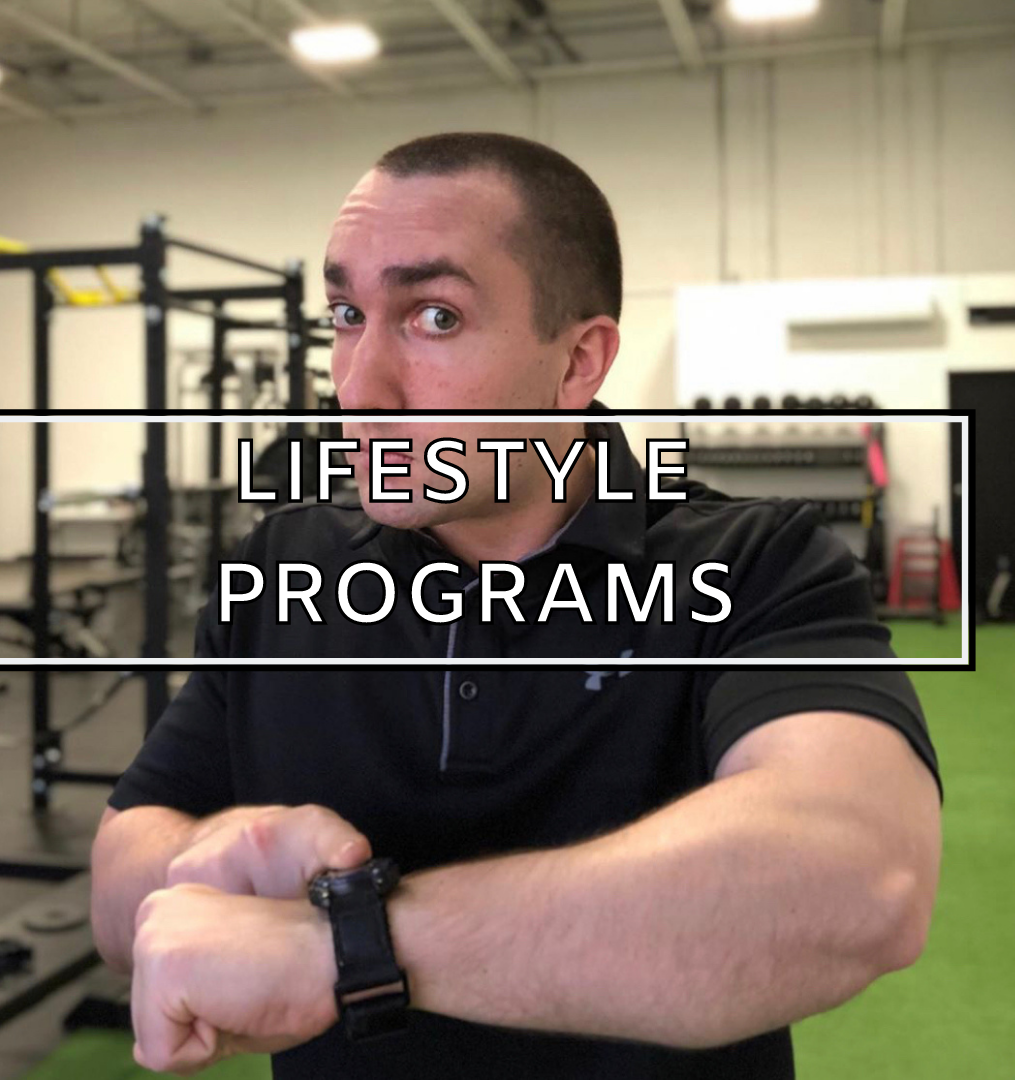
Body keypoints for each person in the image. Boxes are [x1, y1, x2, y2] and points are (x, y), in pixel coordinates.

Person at [91, 133, 943, 1078]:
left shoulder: (757, 565)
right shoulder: (281, 569)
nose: (359, 387)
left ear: (578, 361)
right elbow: (121, 873)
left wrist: (354, 950)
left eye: (436, 318)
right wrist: (215, 851)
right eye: (346, 314)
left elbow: (860, 879)